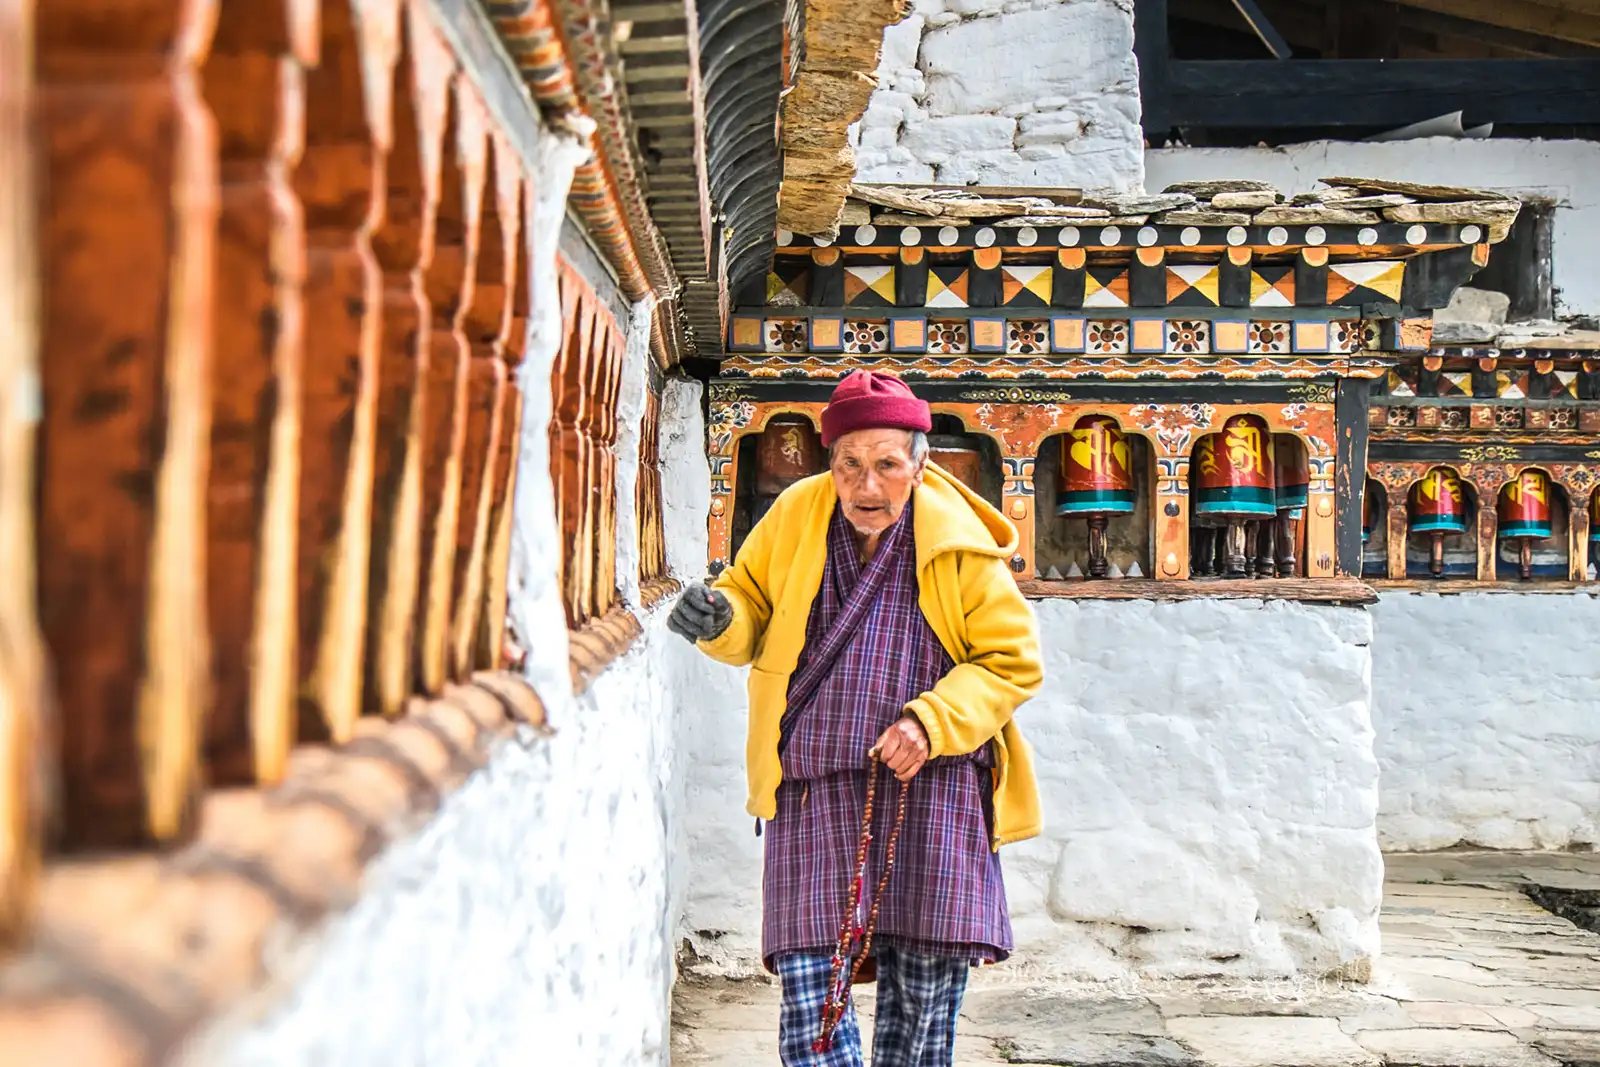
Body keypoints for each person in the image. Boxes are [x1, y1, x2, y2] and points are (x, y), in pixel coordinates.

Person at [669, 369, 1044, 1067]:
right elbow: (748, 604)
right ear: (829, 460)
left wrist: (931, 722)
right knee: (810, 997)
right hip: (812, 790)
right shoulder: (795, 514)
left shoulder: (957, 538)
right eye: (849, 465)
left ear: (918, 462)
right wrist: (719, 619)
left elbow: (1012, 661)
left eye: (886, 466)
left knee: (925, 1001)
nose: (866, 488)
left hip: (935, 788)